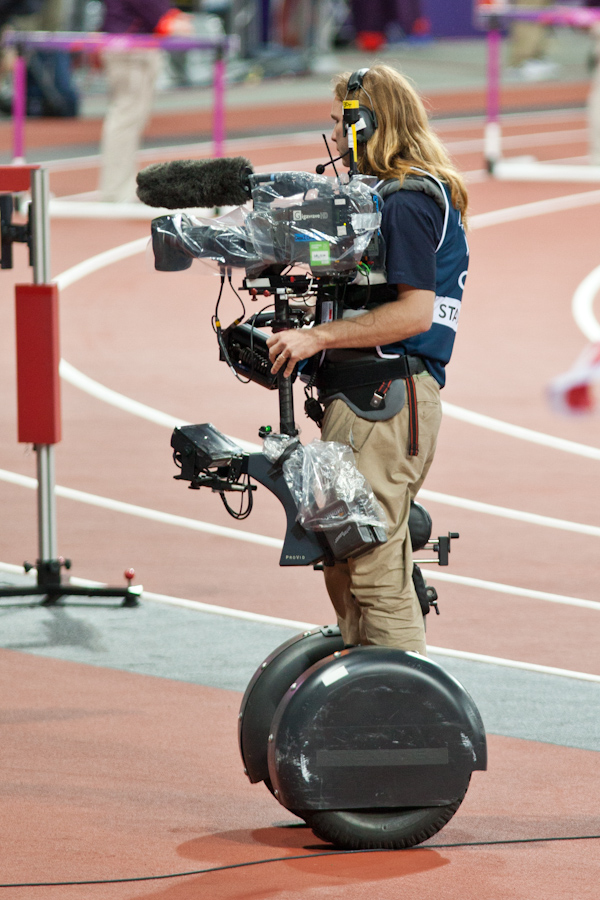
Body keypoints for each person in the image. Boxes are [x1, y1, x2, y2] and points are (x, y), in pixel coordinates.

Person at [266, 64, 469, 655]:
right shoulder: (387, 198)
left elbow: (414, 315)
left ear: (367, 124)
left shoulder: (407, 200)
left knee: (374, 568)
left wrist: (318, 339)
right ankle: (365, 707)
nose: (332, 135)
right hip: (366, 397)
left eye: (338, 122)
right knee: (342, 557)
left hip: (384, 397)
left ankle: (407, 715)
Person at [99, 0, 192, 203]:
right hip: (130, 49)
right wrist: (172, 21)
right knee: (125, 118)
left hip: (135, 45)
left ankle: (120, 186)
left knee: (132, 119)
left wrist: (171, 16)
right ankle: (115, 189)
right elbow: (157, 15)